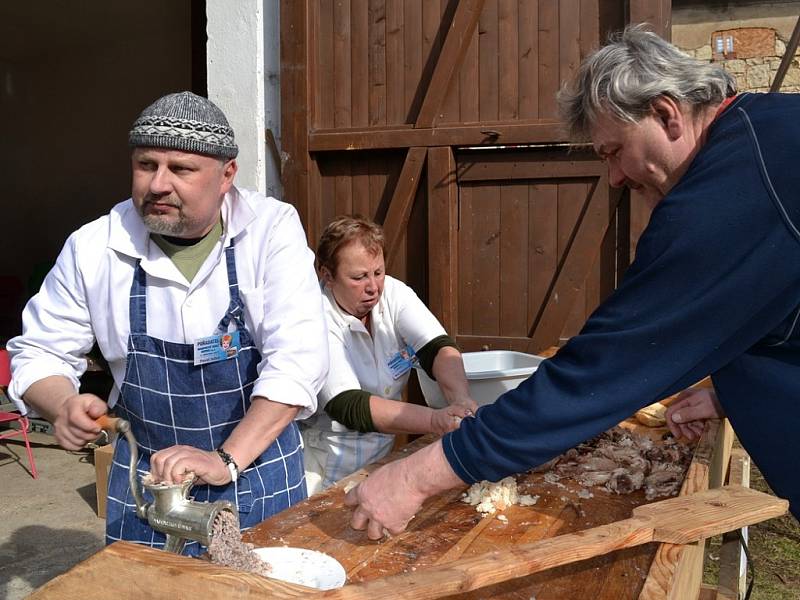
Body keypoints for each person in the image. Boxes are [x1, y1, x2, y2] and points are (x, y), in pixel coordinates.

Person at [343, 25, 800, 539]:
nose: (615, 178)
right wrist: (728, 392)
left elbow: (606, 367)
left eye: (612, 151)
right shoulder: (767, 135)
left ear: (668, 114)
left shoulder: (729, 196)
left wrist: (416, 476)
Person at [7, 92, 329, 554]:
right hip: (146, 483)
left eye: (180, 169)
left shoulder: (269, 231)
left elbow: (298, 361)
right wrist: (62, 404)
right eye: (145, 165)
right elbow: (39, 352)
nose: (157, 184)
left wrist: (226, 459)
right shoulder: (94, 246)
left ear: (227, 175)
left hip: (254, 472)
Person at [300, 216, 477, 495]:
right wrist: (435, 420)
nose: (373, 287)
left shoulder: (393, 294)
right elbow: (348, 405)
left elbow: (437, 347)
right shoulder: (312, 316)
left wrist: (461, 401)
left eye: (378, 272)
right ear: (327, 274)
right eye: (359, 277)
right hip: (325, 466)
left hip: (380, 458)